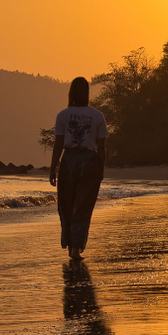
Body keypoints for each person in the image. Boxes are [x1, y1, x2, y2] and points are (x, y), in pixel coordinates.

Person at [49, 77, 108, 260]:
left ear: (71, 93)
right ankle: (76, 248)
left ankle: (70, 245)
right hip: (90, 162)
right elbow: (101, 146)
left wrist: (53, 169)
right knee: (83, 206)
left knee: (66, 204)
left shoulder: (62, 115)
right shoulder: (97, 115)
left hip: (69, 161)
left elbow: (58, 145)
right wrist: (101, 169)